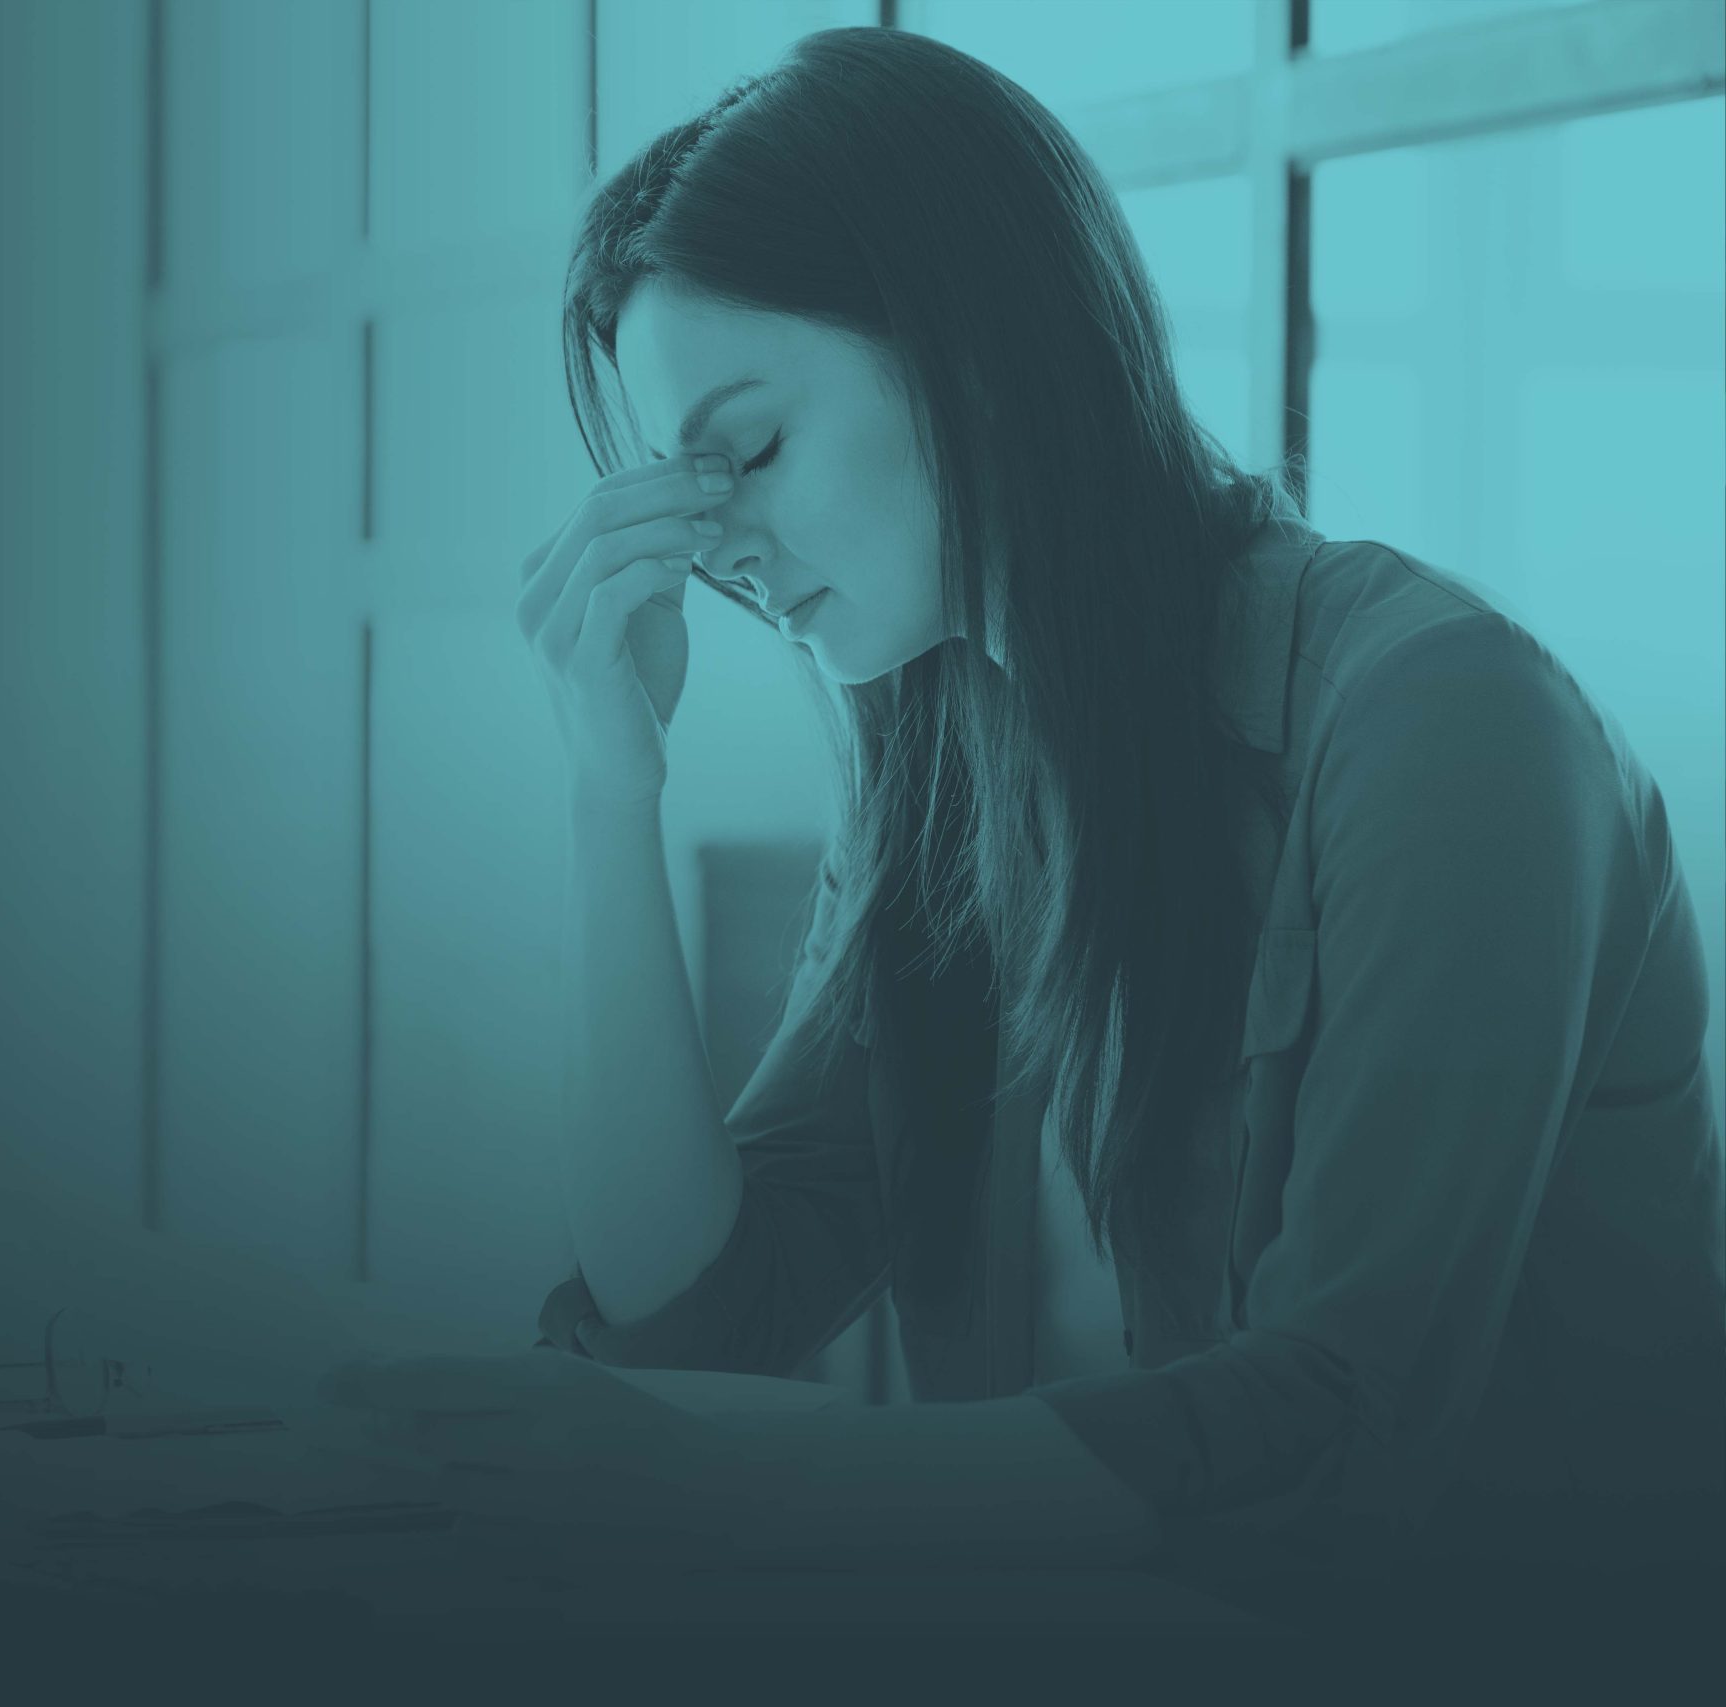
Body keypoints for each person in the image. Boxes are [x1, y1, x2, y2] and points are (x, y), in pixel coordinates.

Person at [314, 26, 1725, 1634]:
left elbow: (1337, 1433)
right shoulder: (947, 763)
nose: (724, 547)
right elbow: (699, 1317)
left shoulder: (1448, 724)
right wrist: (606, 787)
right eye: (690, 492)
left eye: (751, 450)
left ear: (974, 344)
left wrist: (725, 1494)